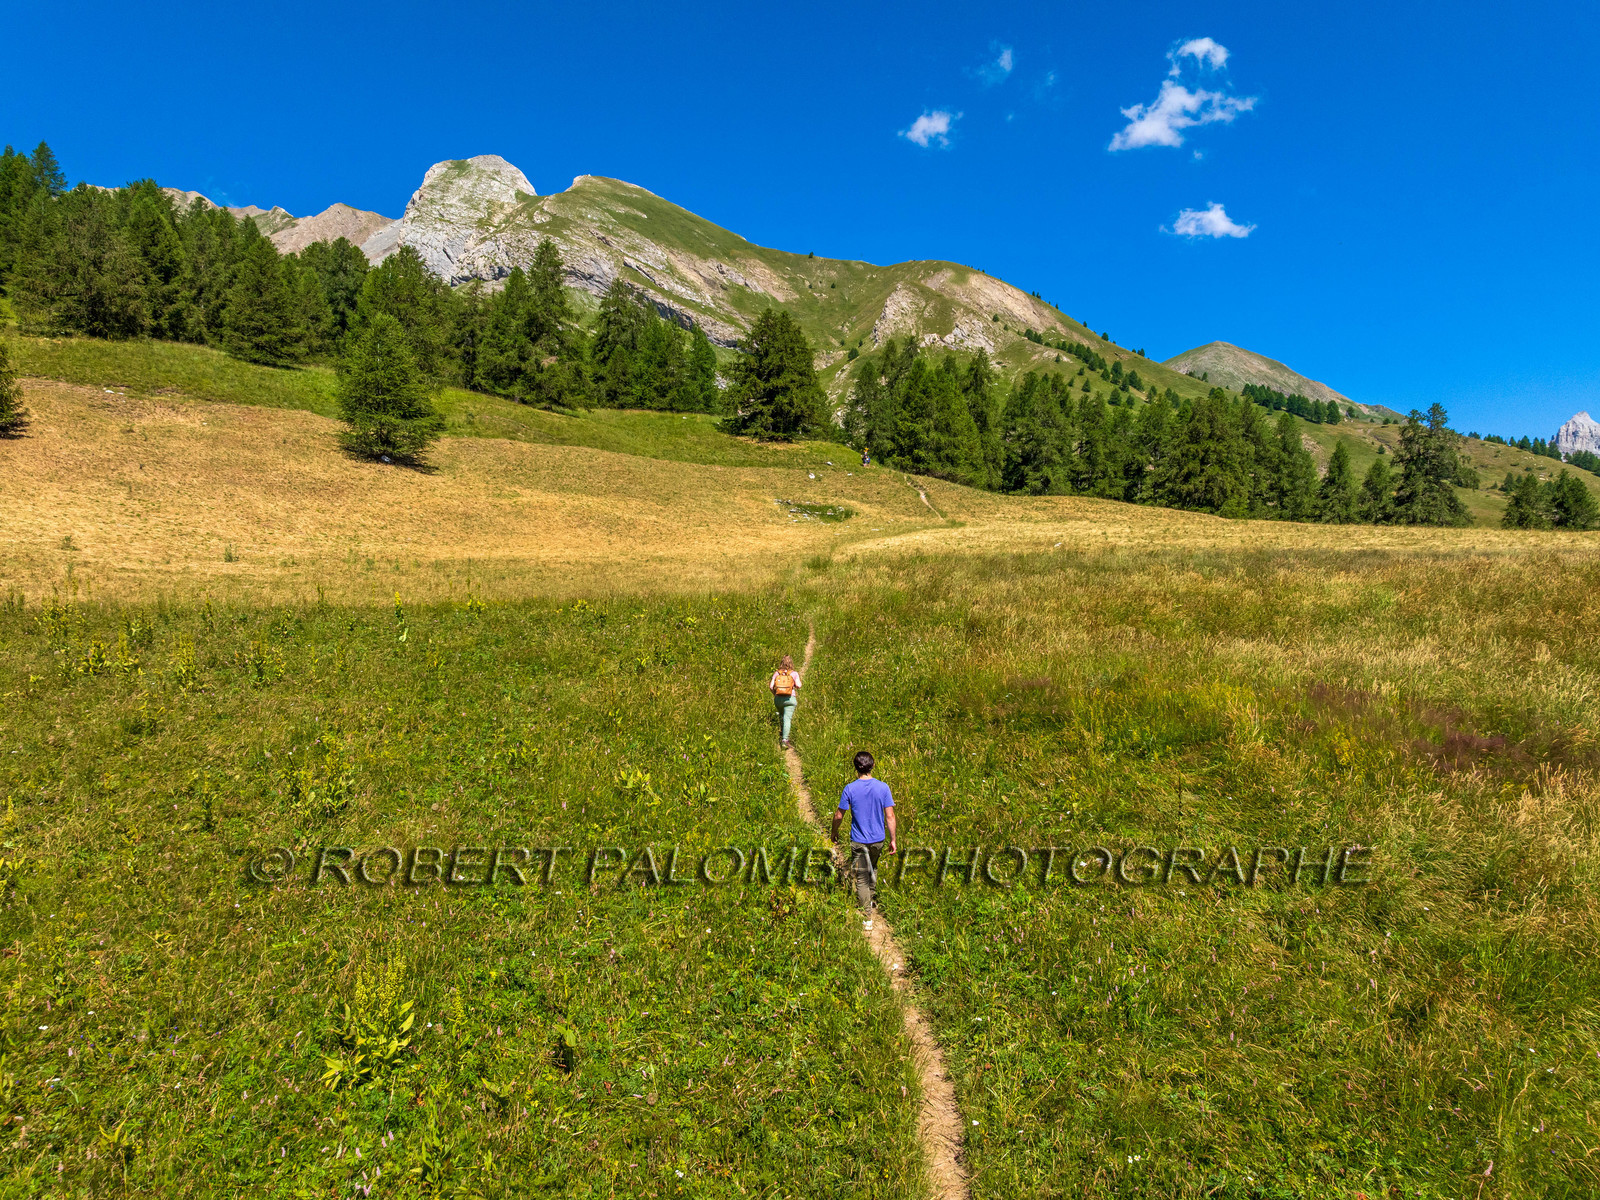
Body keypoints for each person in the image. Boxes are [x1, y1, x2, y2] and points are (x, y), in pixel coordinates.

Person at [831, 750, 896, 928]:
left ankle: (866, 914)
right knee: (872, 868)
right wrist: (893, 839)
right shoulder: (883, 787)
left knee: (861, 876)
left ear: (856, 768)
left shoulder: (850, 789)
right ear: (872, 766)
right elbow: (890, 816)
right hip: (878, 839)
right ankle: (869, 898)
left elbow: (838, 815)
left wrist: (833, 832)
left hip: (859, 839)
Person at [769, 654, 802, 748]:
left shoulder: (777, 673)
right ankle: (784, 740)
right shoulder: (794, 673)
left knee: (781, 715)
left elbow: (771, 686)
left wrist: (775, 694)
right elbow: (799, 685)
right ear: (791, 663)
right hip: (790, 699)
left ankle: (781, 732)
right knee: (787, 718)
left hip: (778, 698)